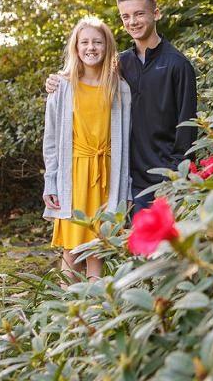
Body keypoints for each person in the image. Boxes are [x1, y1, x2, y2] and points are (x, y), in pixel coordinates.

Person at [46, 0, 197, 217]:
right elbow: (87, 78)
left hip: (166, 180)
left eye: (139, 14)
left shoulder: (178, 65)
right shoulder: (120, 65)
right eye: (126, 16)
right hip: (125, 180)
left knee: (163, 251)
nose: (132, 22)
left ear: (155, 14)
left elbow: (187, 129)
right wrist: (57, 81)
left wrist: (176, 178)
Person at [43, 16, 132, 287]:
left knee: (98, 254)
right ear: (76, 47)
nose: (91, 47)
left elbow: (126, 146)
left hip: (107, 179)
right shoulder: (61, 86)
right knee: (71, 256)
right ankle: (65, 319)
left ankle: (93, 320)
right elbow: (51, 140)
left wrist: (126, 191)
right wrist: (50, 181)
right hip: (73, 179)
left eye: (97, 42)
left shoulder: (120, 89)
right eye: (85, 42)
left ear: (107, 47)